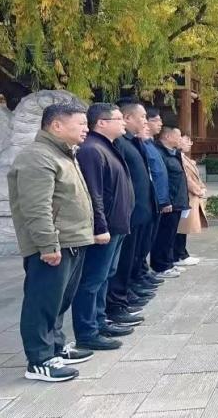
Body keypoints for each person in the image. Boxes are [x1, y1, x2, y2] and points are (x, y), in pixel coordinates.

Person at [8, 104, 96, 382]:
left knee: (59, 301)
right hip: (53, 245)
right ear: (57, 125)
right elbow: (36, 207)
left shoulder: (64, 154)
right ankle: (40, 360)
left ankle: (56, 346)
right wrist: (47, 245)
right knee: (42, 302)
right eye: (81, 123)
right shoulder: (37, 156)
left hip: (72, 240)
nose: (86, 129)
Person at [72, 103, 136, 351]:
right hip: (105, 227)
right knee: (92, 280)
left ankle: (100, 321)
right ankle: (87, 331)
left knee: (105, 275)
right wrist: (100, 226)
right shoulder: (91, 150)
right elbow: (94, 193)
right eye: (119, 119)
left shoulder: (107, 146)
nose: (123, 122)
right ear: (101, 123)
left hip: (117, 224)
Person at [107, 100, 158, 325]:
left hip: (140, 211)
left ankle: (126, 293)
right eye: (142, 117)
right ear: (127, 118)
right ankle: (116, 303)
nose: (145, 121)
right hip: (127, 214)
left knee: (132, 257)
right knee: (121, 261)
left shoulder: (133, 142)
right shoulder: (119, 144)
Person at [141, 109, 176, 285]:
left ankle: (142, 276)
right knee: (143, 243)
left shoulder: (150, 145)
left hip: (158, 201)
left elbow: (160, 175)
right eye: (156, 120)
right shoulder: (141, 146)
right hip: (147, 203)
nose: (160, 124)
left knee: (146, 242)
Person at [151, 126, 189, 275]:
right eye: (177, 136)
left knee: (170, 235)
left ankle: (169, 262)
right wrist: (165, 200)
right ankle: (161, 266)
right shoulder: (160, 153)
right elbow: (162, 179)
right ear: (167, 137)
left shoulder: (174, 153)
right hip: (169, 202)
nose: (180, 139)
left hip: (177, 200)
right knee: (163, 236)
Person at [177, 134, 208, 265]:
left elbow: (195, 177)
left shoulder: (184, 157)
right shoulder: (178, 158)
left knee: (183, 228)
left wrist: (202, 187)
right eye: (187, 140)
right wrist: (198, 190)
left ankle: (181, 253)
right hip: (185, 195)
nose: (190, 143)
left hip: (190, 196)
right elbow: (186, 179)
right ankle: (179, 254)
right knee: (180, 227)